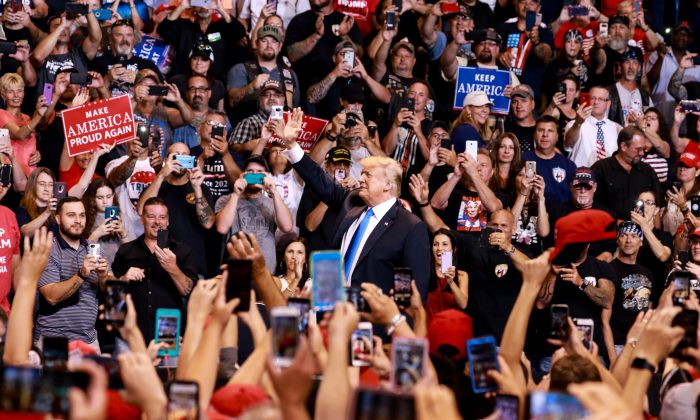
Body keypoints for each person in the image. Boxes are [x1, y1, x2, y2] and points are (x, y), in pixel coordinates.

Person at [280, 109, 431, 297]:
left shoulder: (409, 226)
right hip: (339, 312)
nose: (361, 179)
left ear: (387, 185)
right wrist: (292, 145)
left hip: (376, 319)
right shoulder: (351, 203)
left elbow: (412, 288)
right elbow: (318, 179)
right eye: (361, 173)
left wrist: (395, 322)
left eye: (368, 175)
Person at [111, 197, 198, 343]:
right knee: (130, 366)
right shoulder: (126, 250)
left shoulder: (182, 251)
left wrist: (173, 268)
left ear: (168, 221)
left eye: (162, 217)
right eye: (151, 216)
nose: (157, 221)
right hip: (132, 329)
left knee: (167, 366)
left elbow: (191, 293)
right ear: (142, 219)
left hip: (168, 326)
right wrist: (123, 280)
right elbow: (111, 295)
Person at [36, 197, 109, 350]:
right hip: (54, 338)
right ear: (58, 219)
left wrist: (103, 276)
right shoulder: (49, 249)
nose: (78, 220)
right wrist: (82, 274)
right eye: (71, 215)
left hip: (88, 338)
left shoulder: (93, 248)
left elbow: (105, 293)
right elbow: (51, 296)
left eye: (82, 215)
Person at [136, 143, 215, 277]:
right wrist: (161, 175)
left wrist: (197, 188)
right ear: (166, 160)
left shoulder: (201, 189)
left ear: (191, 161)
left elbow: (208, 223)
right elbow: (140, 211)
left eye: (185, 157)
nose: (180, 161)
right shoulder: (156, 187)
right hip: (160, 267)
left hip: (193, 267)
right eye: (175, 156)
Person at [215, 155, 294, 272]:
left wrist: (274, 192)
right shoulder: (226, 200)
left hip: (265, 272)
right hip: (235, 270)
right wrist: (236, 194)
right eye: (250, 171)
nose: (254, 175)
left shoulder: (273, 202)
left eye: (259, 172)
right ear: (242, 174)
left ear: (266, 176)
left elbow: (287, 227)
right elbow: (222, 228)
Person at [602, 221, 656, 364]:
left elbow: (648, 316)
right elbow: (604, 320)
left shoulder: (647, 273)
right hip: (618, 345)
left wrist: (649, 353)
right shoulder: (609, 270)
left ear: (641, 241)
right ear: (617, 240)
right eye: (624, 235)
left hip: (640, 346)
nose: (628, 240)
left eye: (633, 236)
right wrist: (613, 358)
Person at [157, 0, 246, 81]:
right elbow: (163, 30)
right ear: (193, 6)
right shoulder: (184, 26)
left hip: (215, 83)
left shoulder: (222, 27)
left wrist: (220, 9)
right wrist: (182, 6)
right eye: (199, 2)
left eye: (207, 1)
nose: (204, 7)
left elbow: (240, 32)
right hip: (184, 82)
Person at [227, 25, 299, 121]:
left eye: (274, 41)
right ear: (256, 44)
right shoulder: (240, 69)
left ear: (280, 46)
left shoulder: (290, 74)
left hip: (281, 130)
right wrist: (251, 87)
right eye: (264, 41)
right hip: (249, 129)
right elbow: (232, 101)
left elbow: (294, 108)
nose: (269, 45)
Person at [591, 126, 662, 219]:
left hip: (641, 230)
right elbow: (592, 202)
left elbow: (657, 204)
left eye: (643, 149)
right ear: (624, 146)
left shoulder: (647, 171)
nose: (642, 153)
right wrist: (616, 221)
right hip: (609, 229)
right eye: (638, 149)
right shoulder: (601, 168)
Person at [296, 146, 357, 252]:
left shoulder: (352, 193)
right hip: (317, 253)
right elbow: (310, 226)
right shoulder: (312, 189)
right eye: (337, 164)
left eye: (346, 165)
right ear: (327, 166)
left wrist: (354, 193)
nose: (342, 168)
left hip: (341, 256)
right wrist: (332, 192)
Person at [91, 18, 163, 97]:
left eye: (129, 35)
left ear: (133, 39)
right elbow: (91, 95)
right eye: (119, 35)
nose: (125, 39)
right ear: (110, 39)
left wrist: (139, 80)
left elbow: (163, 92)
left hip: (136, 108)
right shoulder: (98, 62)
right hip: (109, 107)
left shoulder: (147, 64)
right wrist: (108, 78)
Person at [0, 72, 49, 177]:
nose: (16, 95)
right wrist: (38, 115)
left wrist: (37, 153)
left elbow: (30, 145)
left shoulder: (27, 118)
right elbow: (19, 134)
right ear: (3, 94)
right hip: (11, 175)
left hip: (31, 175)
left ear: (24, 93)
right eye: (10, 92)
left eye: (19, 91)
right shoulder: (1, 114)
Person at [522, 115, 577, 206]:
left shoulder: (569, 166)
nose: (545, 135)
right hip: (532, 215)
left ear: (557, 137)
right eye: (541, 130)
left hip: (561, 218)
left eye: (550, 131)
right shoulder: (522, 160)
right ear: (534, 135)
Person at [564, 86, 623, 167]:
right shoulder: (574, 124)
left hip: (608, 176)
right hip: (581, 176)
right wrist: (578, 123)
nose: (596, 102)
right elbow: (568, 146)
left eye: (601, 99)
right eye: (592, 98)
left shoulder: (617, 128)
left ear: (608, 104)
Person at [425, 228, 468, 323]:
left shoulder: (462, 275)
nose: (439, 248)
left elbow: (463, 304)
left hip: (452, 330)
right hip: (429, 331)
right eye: (435, 244)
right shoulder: (425, 273)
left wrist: (451, 282)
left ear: (454, 249)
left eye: (444, 244)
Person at [168, 42, 226, 111]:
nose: (198, 63)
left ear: (211, 62)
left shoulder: (218, 86)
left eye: (204, 59)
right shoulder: (176, 81)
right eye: (195, 58)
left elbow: (221, 113)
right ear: (190, 60)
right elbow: (157, 92)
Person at [82, 179, 126, 267]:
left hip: (120, 268)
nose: (105, 201)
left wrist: (123, 234)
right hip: (96, 268)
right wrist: (96, 234)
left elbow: (133, 252)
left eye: (109, 196)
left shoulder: (123, 217)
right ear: (92, 198)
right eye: (100, 197)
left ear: (113, 196)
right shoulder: (84, 217)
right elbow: (80, 254)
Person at [606, 49, 652, 126]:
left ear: (639, 68)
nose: (631, 66)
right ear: (620, 68)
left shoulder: (645, 96)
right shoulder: (608, 92)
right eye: (627, 62)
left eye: (635, 62)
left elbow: (650, 123)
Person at [663, 152, 700, 235]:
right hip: (669, 245)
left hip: (692, 245)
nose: (682, 169)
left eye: (687, 166)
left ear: (697, 171)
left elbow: (697, 225)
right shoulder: (671, 193)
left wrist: (683, 206)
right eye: (680, 165)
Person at [16, 167, 58, 237]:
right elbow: (25, 233)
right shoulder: (22, 210)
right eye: (42, 184)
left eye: (50, 185)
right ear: (33, 186)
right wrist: (47, 212)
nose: (47, 189)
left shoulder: (58, 209)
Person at [505, 85, 537, 153]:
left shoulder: (542, 130)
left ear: (533, 104)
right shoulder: (505, 130)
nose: (519, 106)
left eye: (523, 100)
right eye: (514, 102)